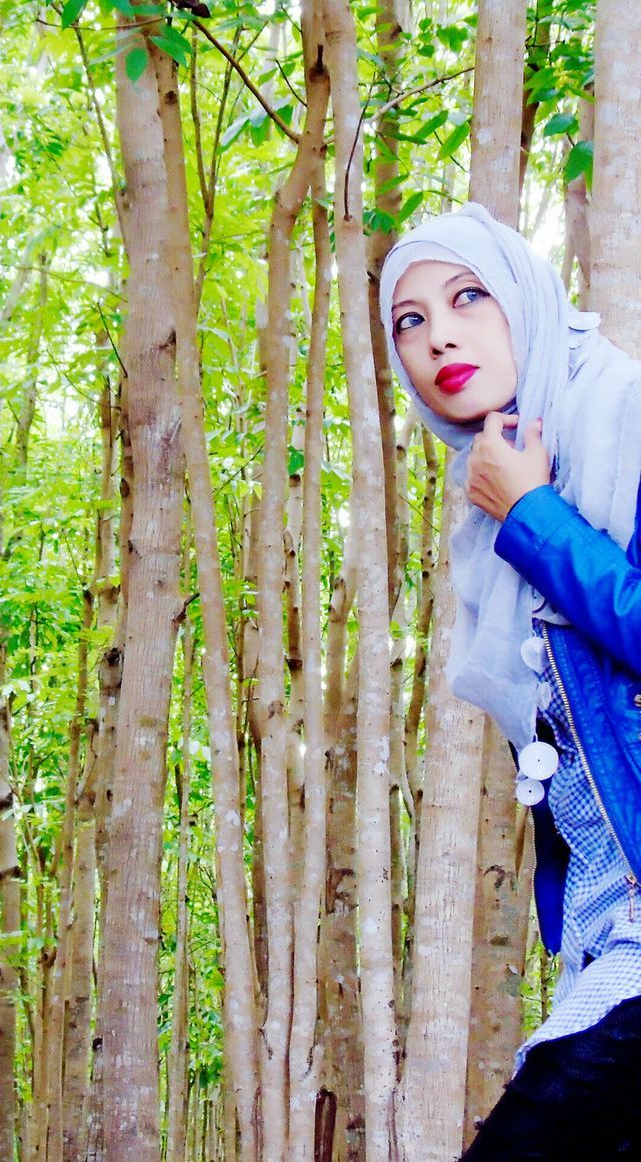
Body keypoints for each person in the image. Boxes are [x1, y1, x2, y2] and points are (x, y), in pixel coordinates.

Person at [379, 203, 641, 1160]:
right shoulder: (492, 511)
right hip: (607, 939)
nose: (439, 332)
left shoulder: (625, 425)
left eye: (468, 297)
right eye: (408, 321)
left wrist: (535, 514)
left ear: (526, 303)